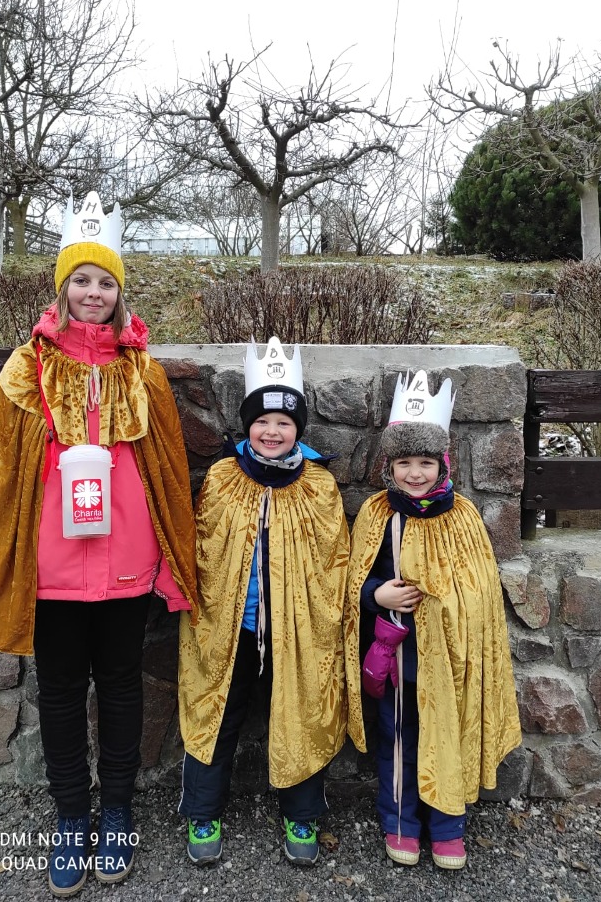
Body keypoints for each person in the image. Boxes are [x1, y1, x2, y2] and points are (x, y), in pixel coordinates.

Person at [0, 192, 196, 898]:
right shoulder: (26, 368)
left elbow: (166, 467)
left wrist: (171, 556)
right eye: (82, 280)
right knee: (62, 690)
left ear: (119, 292)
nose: (94, 293)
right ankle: (72, 817)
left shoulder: (142, 371)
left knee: (122, 685)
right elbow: (0, 471)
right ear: (62, 287)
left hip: (126, 559)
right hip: (53, 562)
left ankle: (117, 810)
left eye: (105, 282)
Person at [177, 337, 356, 867]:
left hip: (295, 628)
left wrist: (318, 621)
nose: (272, 431)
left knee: (300, 710)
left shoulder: (318, 485)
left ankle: (302, 814)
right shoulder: (222, 477)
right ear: (247, 425)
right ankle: (203, 811)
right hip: (231, 625)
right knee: (217, 710)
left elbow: (334, 560)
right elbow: (203, 549)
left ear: (298, 429)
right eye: (261, 421)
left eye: (283, 422)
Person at [345, 370, 521, 870]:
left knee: (449, 733)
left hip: (451, 661)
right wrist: (376, 594)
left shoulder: (462, 516)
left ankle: (446, 826)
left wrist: (449, 607)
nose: (415, 473)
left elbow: (480, 593)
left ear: (444, 464)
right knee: (398, 740)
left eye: (425, 462)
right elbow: (351, 582)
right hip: (399, 659)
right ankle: (400, 823)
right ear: (389, 466)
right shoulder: (377, 515)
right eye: (404, 462)